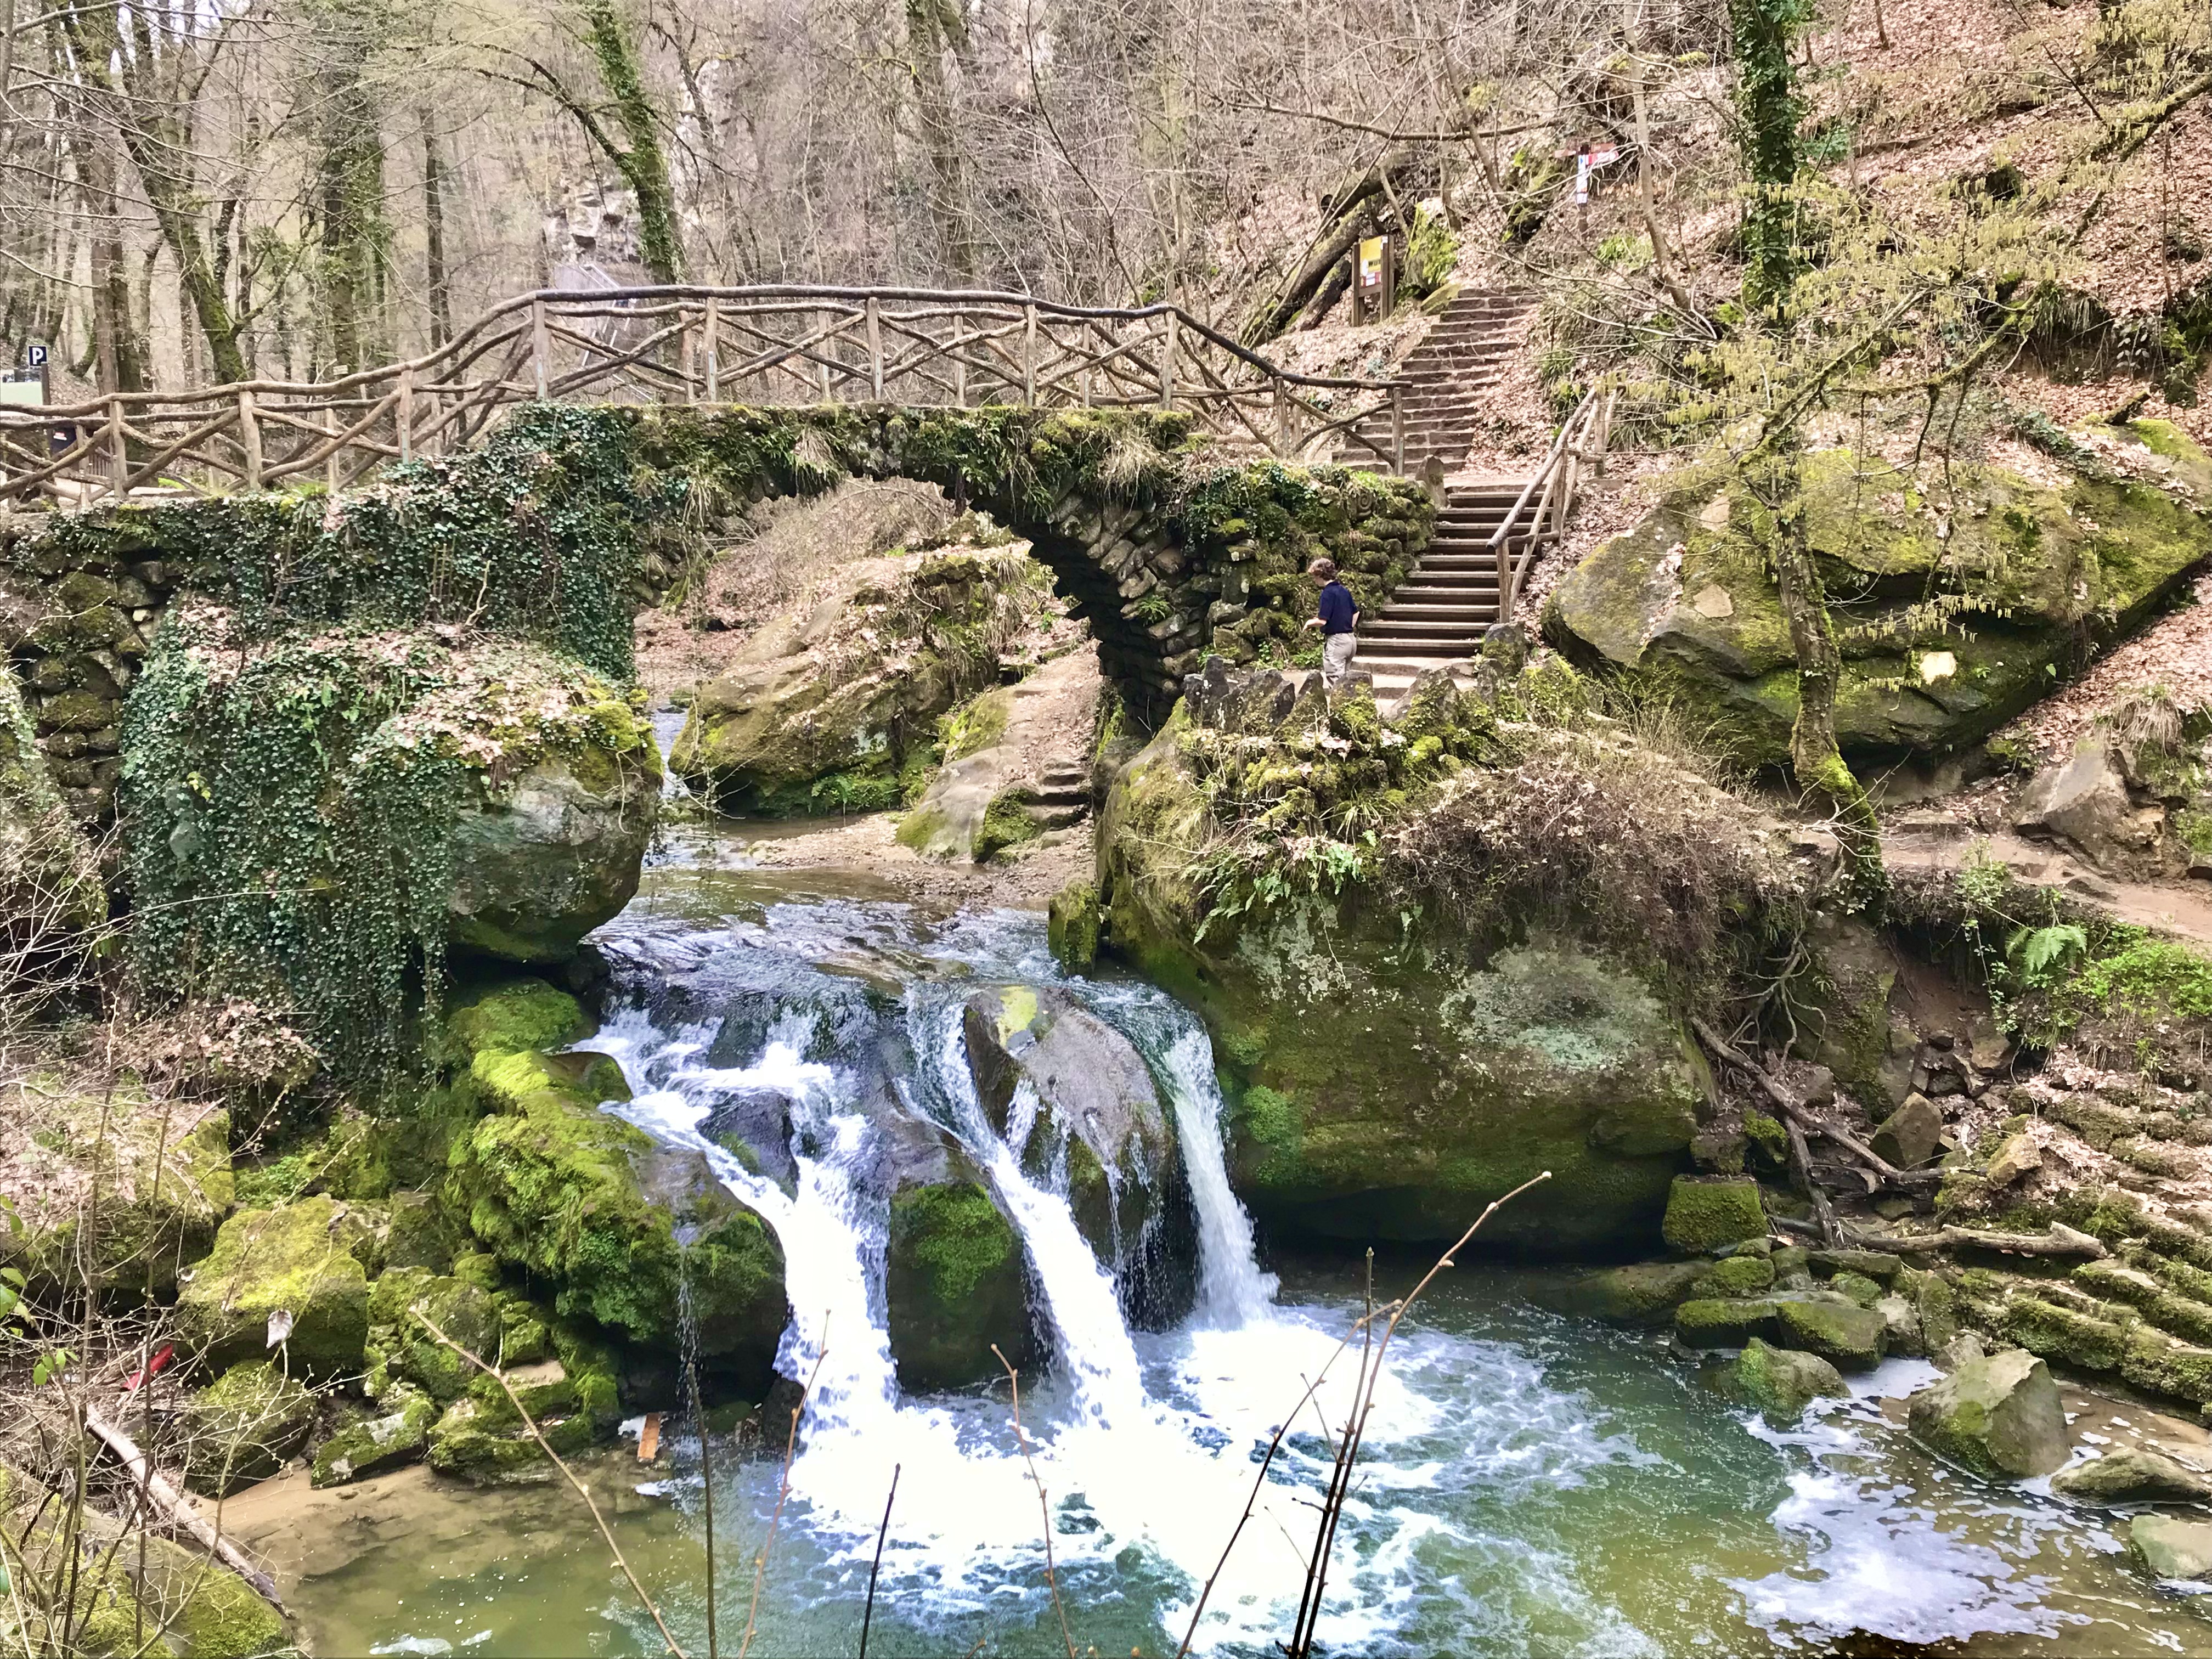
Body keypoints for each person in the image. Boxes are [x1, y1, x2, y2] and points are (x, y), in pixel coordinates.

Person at [1304, 556, 1358, 686]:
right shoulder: (1344, 590)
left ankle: (1339, 706)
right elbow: (1356, 613)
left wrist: (1309, 623)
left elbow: (1323, 621)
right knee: (1346, 680)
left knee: (1336, 681)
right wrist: (1348, 626)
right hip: (1350, 640)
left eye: (1314, 576)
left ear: (1320, 575)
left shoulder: (1327, 593)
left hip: (1337, 642)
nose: (1314, 580)